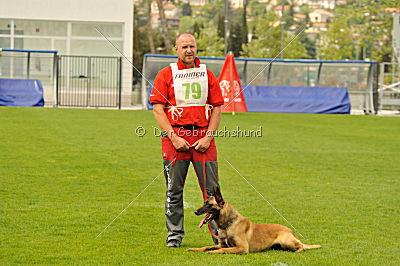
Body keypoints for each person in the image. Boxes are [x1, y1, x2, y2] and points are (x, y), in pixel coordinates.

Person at [150, 33, 224, 248]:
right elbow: (158, 110)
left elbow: (217, 109)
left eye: (192, 46)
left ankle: (219, 237)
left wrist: (208, 137)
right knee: (173, 191)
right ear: (176, 49)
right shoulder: (165, 75)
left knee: (212, 192)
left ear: (196, 48)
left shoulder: (207, 75)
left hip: (203, 139)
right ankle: (174, 236)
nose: (189, 50)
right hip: (175, 141)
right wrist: (173, 137)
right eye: (184, 47)